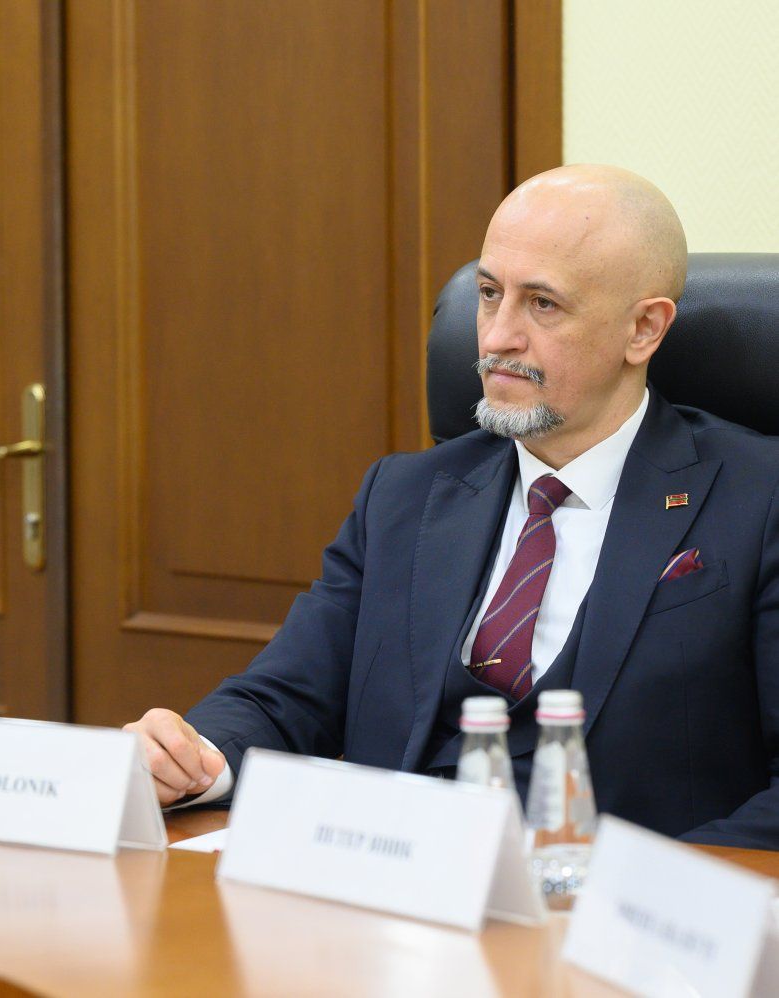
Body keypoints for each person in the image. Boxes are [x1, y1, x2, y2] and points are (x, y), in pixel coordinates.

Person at [126, 164, 779, 849]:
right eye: (490, 294)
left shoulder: (758, 498)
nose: (495, 338)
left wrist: (629, 889)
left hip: (616, 898)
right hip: (396, 883)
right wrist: (190, 757)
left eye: (543, 305)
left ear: (643, 329)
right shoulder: (404, 496)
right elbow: (287, 695)